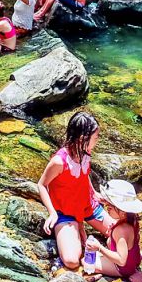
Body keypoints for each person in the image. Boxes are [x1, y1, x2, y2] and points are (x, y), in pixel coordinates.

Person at [37, 112, 110, 270]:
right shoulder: (59, 162)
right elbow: (41, 185)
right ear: (82, 139)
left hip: (87, 204)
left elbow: (84, 173)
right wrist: (52, 213)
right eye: (96, 137)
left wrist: (94, 193)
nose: (97, 140)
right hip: (65, 210)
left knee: (117, 232)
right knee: (72, 261)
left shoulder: (85, 151)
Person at [85, 180, 142, 282]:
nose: (106, 209)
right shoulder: (132, 220)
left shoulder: (120, 230)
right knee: (109, 240)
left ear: (122, 211)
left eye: (109, 207)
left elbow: (121, 260)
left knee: (85, 261)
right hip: (134, 261)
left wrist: (99, 248)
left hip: (123, 268)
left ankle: (123, 273)